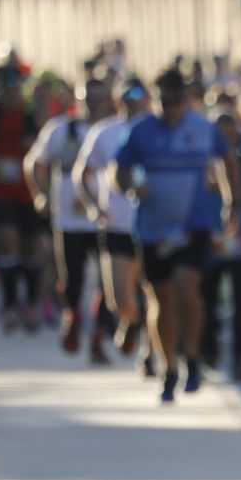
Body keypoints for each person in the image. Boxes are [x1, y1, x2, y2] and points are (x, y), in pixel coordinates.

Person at [114, 68, 241, 403]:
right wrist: (130, 186)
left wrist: (231, 202)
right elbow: (119, 171)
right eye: (165, 101)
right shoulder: (140, 131)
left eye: (178, 101)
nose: (172, 109)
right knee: (162, 298)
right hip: (153, 228)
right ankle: (168, 365)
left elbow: (227, 160)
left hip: (192, 224)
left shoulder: (202, 128)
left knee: (188, 290)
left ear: (187, 99)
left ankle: (193, 356)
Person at [28, 77, 114, 363]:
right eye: (89, 96)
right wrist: (40, 195)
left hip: (104, 219)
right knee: (72, 279)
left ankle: (99, 336)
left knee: (107, 281)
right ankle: (72, 317)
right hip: (68, 220)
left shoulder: (112, 131)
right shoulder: (59, 129)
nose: (94, 102)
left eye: (101, 97)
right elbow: (34, 163)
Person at [74, 76, 149, 369]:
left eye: (138, 94)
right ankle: (131, 321)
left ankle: (150, 354)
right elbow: (83, 173)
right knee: (119, 298)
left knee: (153, 293)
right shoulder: (104, 132)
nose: (133, 99)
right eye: (127, 95)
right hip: (116, 224)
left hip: (151, 225)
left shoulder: (157, 131)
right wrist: (93, 207)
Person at [0, 64, 45, 333]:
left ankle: (33, 303)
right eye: (6, 88)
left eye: (15, 88)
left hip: (28, 191)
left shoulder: (31, 115)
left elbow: (45, 144)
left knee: (32, 246)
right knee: (7, 241)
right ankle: (10, 304)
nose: (11, 94)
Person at [204, 110, 241, 382]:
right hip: (210, 241)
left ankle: (239, 358)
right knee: (207, 301)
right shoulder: (201, 160)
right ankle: (208, 350)